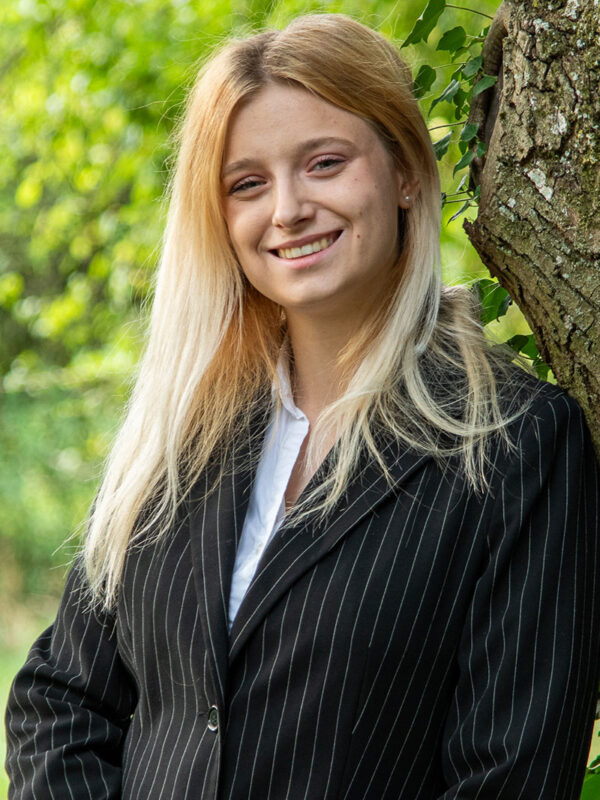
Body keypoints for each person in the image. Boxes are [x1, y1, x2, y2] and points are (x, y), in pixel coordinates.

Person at [5, 13, 600, 800]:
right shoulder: (184, 430)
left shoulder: (516, 444)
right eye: (247, 183)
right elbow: (61, 702)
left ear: (406, 172)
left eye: (324, 163)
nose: (286, 209)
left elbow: (509, 777)